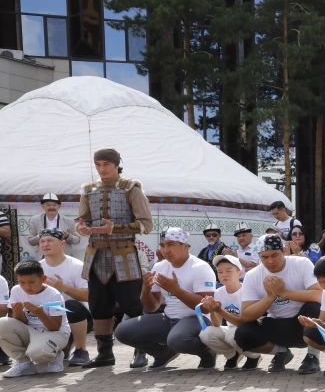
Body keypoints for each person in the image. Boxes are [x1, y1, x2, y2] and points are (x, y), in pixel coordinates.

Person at [74, 147, 153, 368]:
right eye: (98, 165)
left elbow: (146, 224)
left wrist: (113, 228)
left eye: (106, 164)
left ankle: (141, 351)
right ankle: (104, 354)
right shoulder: (88, 190)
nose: (102, 169)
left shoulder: (131, 189)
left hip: (124, 255)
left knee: (133, 305)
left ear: (116, 164)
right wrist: (83, 228)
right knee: (99, 306)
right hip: (95, 255)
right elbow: (80, 221)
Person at [114, 228, 217, 369]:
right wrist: (145, 290)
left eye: (171, 244)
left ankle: (207, 352)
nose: (165, 250)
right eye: (162, 245)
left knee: (178, 340)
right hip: (169, 319)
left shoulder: (200, 267)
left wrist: (176, 290)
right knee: (122, 331)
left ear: (185, 246)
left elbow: (205, 307)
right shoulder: (159, 266)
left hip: (197, 319)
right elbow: (152, 307)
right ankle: (163, 354)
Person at [234, 234, 323, 374]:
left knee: (315, 308)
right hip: (276, 326)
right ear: (259, 256)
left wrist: (285, 292)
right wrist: (270, 297)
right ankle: (281, 352)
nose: (270, 261)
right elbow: (246, 315)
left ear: (284, 250)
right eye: (264, 257)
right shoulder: (252, 276)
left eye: (274, 255)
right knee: (242, 334)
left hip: (303, 324)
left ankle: (312, 356)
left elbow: (320, 295)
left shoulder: (302, 263)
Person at [0, 260, 69, 376]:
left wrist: (40, 313)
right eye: (22, 282)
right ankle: (24, 363)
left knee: (37, 354)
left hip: (56, 333)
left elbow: (55, 327)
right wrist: (18, 313)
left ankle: (56, 356)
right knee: (2, 323)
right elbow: (20, 323)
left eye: (31, 282)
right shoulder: (16, 290)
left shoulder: (54, 295)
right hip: (31, 331)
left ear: (43, 279)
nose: (26, 287)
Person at [38, 229, 91, 366]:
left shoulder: (76, 266)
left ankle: (81, 350)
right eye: (42, 241)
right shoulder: (37, 268)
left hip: (79, 317)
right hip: (49, 316)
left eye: (50, 240)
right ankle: (63, 347)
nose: (45, 244)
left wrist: (63, 287)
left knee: (70, 305)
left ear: (62, 243)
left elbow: (88, 295)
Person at [198, 255, 257, 370]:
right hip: (231, 330)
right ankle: (232, 355)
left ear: (240, 274)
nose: (224, 275)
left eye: (228, 271)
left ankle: (253, 356)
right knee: (206, 333)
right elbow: (217, 324)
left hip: (249, 330)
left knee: (232, 334)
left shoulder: (246, 290)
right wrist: (212, 311)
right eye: (220, 272)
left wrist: (219, 310)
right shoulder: (219, 292)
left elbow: (242, 323)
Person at [27, 193, 83, 259]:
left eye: (54, 205)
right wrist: (40, 236)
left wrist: (67, 236)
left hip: (63, 255)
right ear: (42, 206)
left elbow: (77, 240)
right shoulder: (35, 220)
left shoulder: (68, 221)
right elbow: (31, 241)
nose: (51, 207)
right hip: (43, 256)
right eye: (48, 205)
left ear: (59, 206)